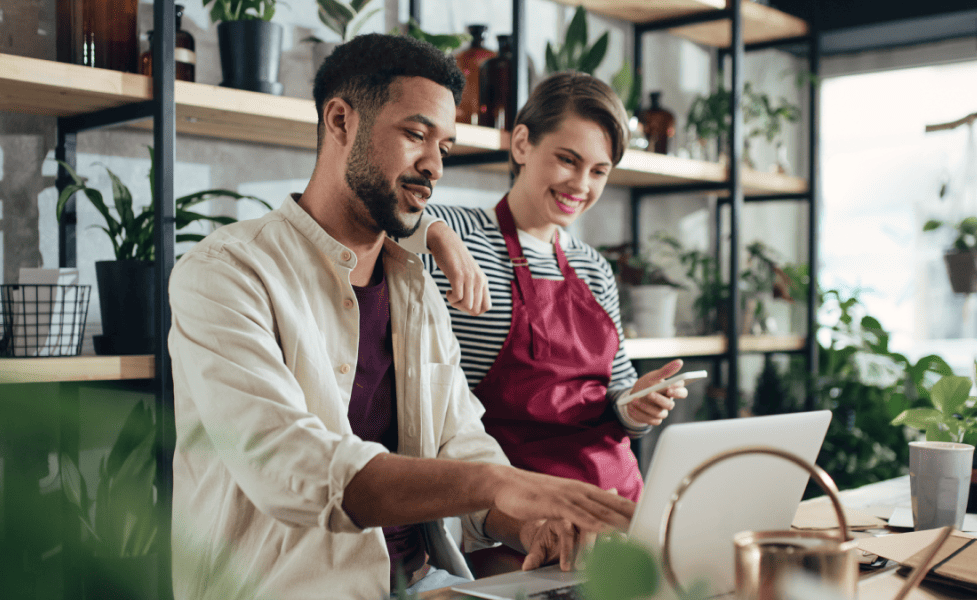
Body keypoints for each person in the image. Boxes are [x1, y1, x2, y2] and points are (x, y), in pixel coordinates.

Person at [168, 35, 635, 600]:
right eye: (416, 135)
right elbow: (292, 468)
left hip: (426, 585)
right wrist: (503, 482)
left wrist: (530, 522)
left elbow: (460, 440)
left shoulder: (415, 284)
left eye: (445, 144)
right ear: (340, 120)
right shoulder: (226, 273)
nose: (434, 166)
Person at [404, 71, 690, 571]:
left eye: (599, 171)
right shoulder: (460, 234)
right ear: (521, 143)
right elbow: (380, 219)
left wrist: (636, 403)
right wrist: (436, 235)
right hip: (518, 524)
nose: (581, 185)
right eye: (567, 159)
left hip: (616, 510)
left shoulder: (594, 268)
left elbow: (614, 400)